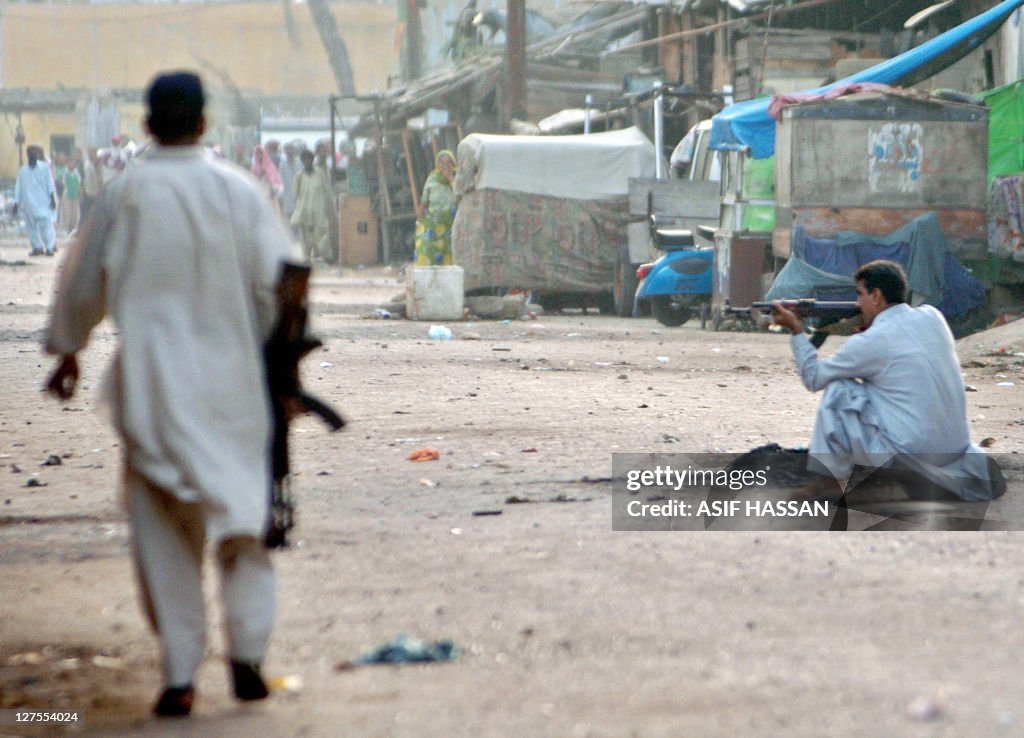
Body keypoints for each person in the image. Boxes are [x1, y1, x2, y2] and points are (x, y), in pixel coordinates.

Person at [44, 70, 297, 718]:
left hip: (153, 390)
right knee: (242, 523)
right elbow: (286, 286)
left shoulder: (123, 195)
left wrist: (70, 351)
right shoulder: (241, 194)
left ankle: (181, 674)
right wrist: (287, 376)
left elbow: (81, 285)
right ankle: (247, 657)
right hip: (235, 391)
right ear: (204, 124)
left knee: (164, 536)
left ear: (149, 126)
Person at [771, 260, 1004, 501]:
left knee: (839, 388)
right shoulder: (933, 318)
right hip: (955, 451)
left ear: (876, 296)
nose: (858, 303)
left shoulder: (870, 342)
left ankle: (830, 483)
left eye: (860, 294)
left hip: (911, 454)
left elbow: (813, 378)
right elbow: (900, 356)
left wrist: (796, 330)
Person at [414, 149, 458, 266]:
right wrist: (418, 221)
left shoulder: (458, 178)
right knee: (426, 247)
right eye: (442, 163)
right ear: (437, 164)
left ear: (453, 164)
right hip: (434, 223)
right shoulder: (432, 179)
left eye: (448, 163)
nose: (445, 166)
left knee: (450, 253)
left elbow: (459, 195)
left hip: (452, 223)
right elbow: (424, 202)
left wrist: (450, 179)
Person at [13, 144, 57, 257]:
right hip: (29, 204)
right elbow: (18, 187)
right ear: (27, 155)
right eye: (30, 153)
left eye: (34, 153)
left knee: (46, 227)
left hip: (43, 202)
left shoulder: (45, 168)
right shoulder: (22, 171)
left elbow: (50, 183)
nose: (32, 155)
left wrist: (53, 199)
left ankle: (49, 248)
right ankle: (37, 247)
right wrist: (16, 203)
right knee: (31, 228)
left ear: (37, 155)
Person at [290, 149, 330, 263]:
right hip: (304, 210)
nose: (307, 162)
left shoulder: (319, 173)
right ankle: (306, 257)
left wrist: (326, 207)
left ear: (313, 160)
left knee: (321, 232)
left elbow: (325, 190)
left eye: (309, 159)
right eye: (305, 159)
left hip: (318, 209)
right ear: (302, 161)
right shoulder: (299, 176)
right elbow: (296, 194)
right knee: (305, 235)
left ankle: (323, 256)